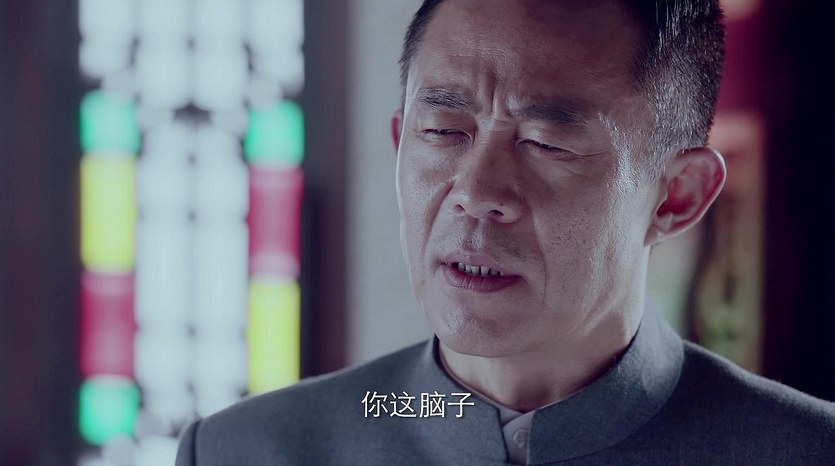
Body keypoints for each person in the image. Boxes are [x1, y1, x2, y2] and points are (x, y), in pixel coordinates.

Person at [176, 0, 835, 464]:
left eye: (546, 142)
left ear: (677, 194)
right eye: (442, 131)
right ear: (401, 142)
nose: (475, 193)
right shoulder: (251, 450)